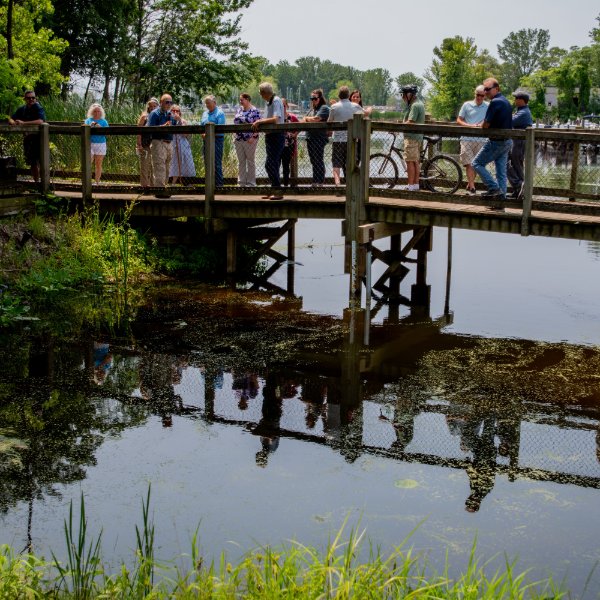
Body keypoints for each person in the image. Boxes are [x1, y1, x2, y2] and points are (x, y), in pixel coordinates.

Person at [472, 78, 513, 208]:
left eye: (488, 89)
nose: (485, 92)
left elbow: (486, 125)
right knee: (501, 172)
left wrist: (481, 125)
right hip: (507, 141)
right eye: (484, 89)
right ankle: (500, 202)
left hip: (496, 142)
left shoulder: (495, 102)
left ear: (497, 89)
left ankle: (494, 188)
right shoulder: (506, 101)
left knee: (476, 163)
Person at [251, 82, 286, 199]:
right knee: (272, 164)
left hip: (277, 136)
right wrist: (260, 122)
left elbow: (276, 119)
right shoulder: (268, 102)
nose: (261, 95)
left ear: (265, 93)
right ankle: (274, 189)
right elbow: (267, 118)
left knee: (270, 164)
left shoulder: (276, 100)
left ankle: (278, 191)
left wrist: (260, 122)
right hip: (270, 137)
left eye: (261, 93)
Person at [328, 85, 364, 188]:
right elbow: (364, 114)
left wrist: (330, 131)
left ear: (339, 95)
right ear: (348, 95)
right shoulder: (356, 106)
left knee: (336, 164)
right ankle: (351, 185)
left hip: (338, 140)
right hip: (352, 140)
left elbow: (329, 122)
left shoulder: (334, 107)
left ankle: (338, 184)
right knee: (352, 164)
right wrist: (369, 110)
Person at [456, 85, 488, 195]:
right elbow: (459, 120)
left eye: (482, 95)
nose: (479, 97)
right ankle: (472, 186)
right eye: (477, 95)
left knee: (476, 164)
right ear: (474, 94)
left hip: (482, 139)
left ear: (485, 96)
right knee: (468, 163)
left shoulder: (488, 106)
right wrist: (469, 126)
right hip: (467, 138)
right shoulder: (467, 105)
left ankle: (470, 183)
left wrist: (481, 124)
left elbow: (490, 120)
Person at [8, 91, 46, 182]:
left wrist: (23, 123)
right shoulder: (22, 109)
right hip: (28, 139)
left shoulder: (38, 107)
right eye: (29, 98)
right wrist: (13, 122)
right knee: (32, 162)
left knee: (41, 161)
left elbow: (41, 121)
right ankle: (36, 183)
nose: (31, 99)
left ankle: (44, 183)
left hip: (39, 139)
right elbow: (10, 118)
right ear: (25, 99)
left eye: (33, 97)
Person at [148, 93, 177, 197]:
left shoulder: (170, 114)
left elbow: (174, 127)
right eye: (167, 102)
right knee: (159, 167)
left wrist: (177, 120)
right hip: (158, 142)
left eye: (170, 102)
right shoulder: (154, 114)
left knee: (167, 167)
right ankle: (159, 191)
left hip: (169, 143)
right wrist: (163, 126)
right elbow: (150, 129)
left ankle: (164, 189)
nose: (169, 104)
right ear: (161, 103)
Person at [507, 90, 533, 200]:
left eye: (516, 98)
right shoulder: (521, 110)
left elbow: (510, 122)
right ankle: (518, 189)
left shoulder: (523, 112)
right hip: (516, 142)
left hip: (519, 142)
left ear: (521, 100)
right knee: (514, 164)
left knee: (514, 164)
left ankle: (520, 186)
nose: (515, 100)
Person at [302, 89, 330, 187]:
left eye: (315, 98)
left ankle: (320, 182)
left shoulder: (324, 108)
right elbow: (305, 120)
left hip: (319, 138)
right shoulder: (313, 109)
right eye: (311, 98)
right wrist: (306, 119)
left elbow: (316, 119)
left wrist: (306, 119)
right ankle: (315, 181)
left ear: (320, 98)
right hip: (310, 138)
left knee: (318, 159)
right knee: (313, 160)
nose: (313, 100)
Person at [401, 84, 425, 191]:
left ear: (409, 94)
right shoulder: (418, 103)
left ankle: (410, 185)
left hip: (411, 137)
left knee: (410, 161)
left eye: (403, 94)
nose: (402, 97)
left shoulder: (415, 105)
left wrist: (398, 127)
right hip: (417, 137)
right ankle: (415, 185)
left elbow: (411, 121)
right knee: (415, 161)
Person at [233, 93, 261, 187]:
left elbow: (259, 126)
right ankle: (241, 182)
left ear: (248, 99)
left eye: (242, 100)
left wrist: (253, 137)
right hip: (238, 139)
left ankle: (251, 183)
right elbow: (235, 123)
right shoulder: (239, 110)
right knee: (241, 161)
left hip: (250, 140)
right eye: (240, 100)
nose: (240, 101)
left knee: (250, 161)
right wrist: (234, 134)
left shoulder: (254, 111)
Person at [200, 95, 226, 187]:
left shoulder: (220, 113)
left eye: (209, 103)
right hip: (206, 141)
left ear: (214, 103)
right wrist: (203, 134)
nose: (207, 105)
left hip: (217, 141)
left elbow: (220, 129)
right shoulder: (204, 114)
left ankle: (219, 185)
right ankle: (209, 184)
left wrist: (208, 135)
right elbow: (201, 126)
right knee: (207, 162)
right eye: (206, 103)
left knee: (216, 163)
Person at [169, 105, 196, 184]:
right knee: (174, 164)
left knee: (186, 163)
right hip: (173, 144)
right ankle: (173, 183)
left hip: (183, 144)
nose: (175, 113)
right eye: (173, 111)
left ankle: (187, 182)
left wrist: (179, 120)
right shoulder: (169, 121)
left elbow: (185, 134)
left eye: (177, 111)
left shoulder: (183, 121)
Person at [136, 97, 158, 190]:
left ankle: (153, 186)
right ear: (148, 107)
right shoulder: (144, 116)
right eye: (151, 106)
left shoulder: (158, 116)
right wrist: (139, 144)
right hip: (145, 144)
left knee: (154, 167)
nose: (152, 108)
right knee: (145, 166)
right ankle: (144, 186)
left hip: (156, 144)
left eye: (154, 106)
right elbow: (139, 131)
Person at [84, 103, 108, 185]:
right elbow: (84, 129)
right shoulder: (88, 120)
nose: (97, 113)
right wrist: (89, 126)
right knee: (88, 162)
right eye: (95, 111)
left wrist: (99, 127)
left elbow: (107, 133)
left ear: (101, 112)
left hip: (101, 144)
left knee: (98, 164)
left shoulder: (104, 121)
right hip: (90, 144)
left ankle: (97, 182)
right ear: (92, 112)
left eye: (98, 111)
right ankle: (87, 181)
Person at [281, 98, 299, 187]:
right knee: (275, 165)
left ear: (287, 106)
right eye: (280, 105)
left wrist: (295, 134)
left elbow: (299, 126)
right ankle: (276, 186)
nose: (282, 107)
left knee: (286, 166)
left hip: (288, 146)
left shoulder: (292, 117)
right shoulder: (277, 117)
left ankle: (286, 185)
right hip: (278, 145)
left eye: (284, 105)